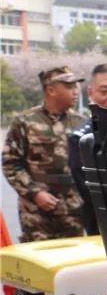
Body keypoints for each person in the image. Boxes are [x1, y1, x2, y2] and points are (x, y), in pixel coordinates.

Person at [3, 67, 87, 242]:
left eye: (75, 86)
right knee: (38, 257)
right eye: (69, 86)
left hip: (74, 210)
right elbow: (11, 164)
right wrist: (35, 193)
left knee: (73, 256)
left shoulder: (82, 123)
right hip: (37, 213)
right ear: (51, 90)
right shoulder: (25, 122)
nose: (75, 91)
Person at [68, 63, 107, 235]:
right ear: (91, 93)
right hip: (103, 226)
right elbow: (90, 193)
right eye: (104, 91)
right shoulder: (82, 139)